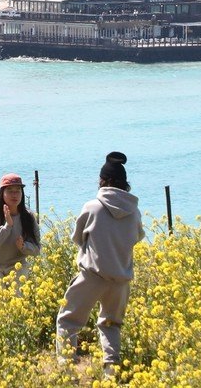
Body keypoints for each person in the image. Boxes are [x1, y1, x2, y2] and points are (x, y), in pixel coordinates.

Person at [56, 152, 144, 370]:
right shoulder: (134, 212)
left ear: (102, 181)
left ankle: (67, 369)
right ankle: (110, 371)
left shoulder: (92, 207)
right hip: (121, 280)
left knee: (68, 320)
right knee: (111, 324)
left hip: (92, 276)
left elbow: (77, 237)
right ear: (125, 184)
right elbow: (138, 237)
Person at [0, 173, 40, 292]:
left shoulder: (28, 217)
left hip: (16, 265)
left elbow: (37, 249)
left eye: (18, 190)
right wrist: (8, 226)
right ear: (2, 193)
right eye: (10, 190)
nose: (14, 194)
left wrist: (23, 246)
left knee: (16, 297)